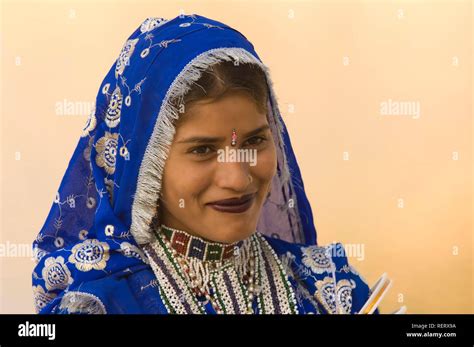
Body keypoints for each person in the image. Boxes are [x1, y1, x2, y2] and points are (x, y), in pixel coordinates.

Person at [32, 14, 377, 314]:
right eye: (202, 150)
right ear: (143, 165)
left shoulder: (332, 289)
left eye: (255, 141)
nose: (238, 179)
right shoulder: (102, 304)